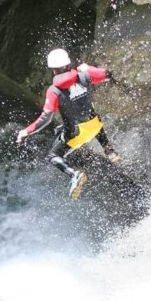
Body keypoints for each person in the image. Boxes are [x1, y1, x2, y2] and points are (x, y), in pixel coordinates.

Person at [17, 48, 121, 199]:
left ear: (53, 70)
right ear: (68, 63)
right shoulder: (84, 75)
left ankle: (75, 175)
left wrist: (25, 132)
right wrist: (88, 68)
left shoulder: (54, 90)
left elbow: (46, 118)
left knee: (53, 155)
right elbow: (107, 75)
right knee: (90, 115)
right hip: (96, 125)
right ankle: (109, 150)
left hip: (78, 132)